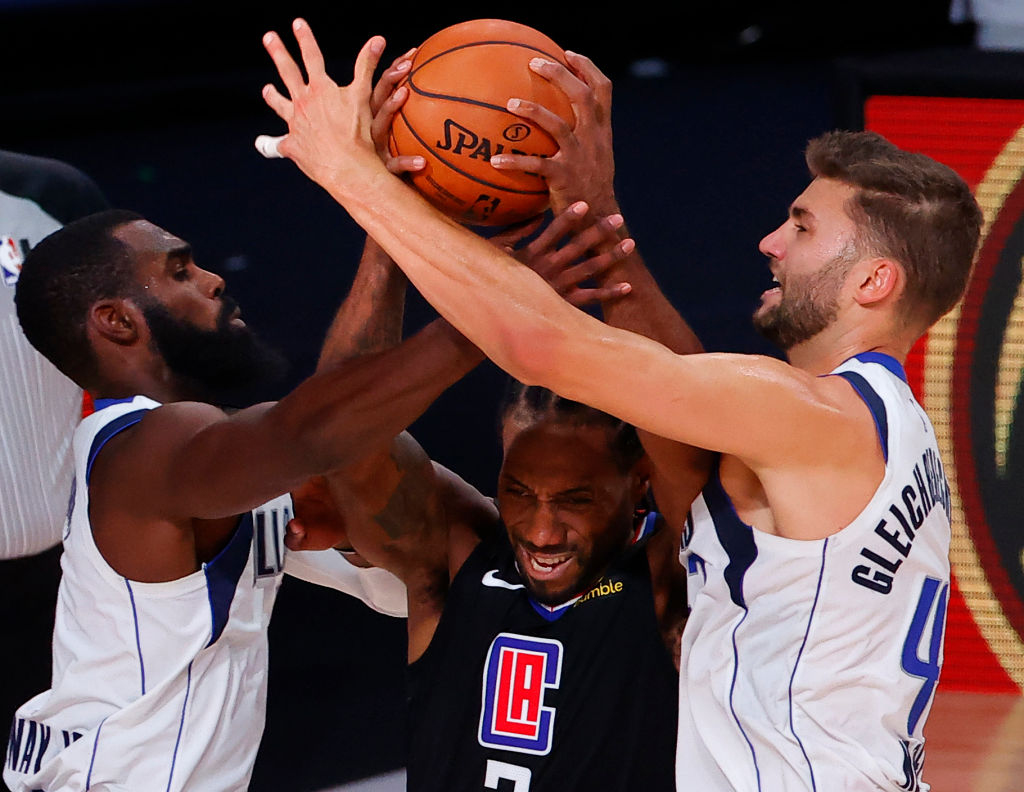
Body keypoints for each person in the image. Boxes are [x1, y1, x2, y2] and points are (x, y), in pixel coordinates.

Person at [258, 20, 984, 791]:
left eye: (802, 227)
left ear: (873, 281)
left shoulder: (817, 417)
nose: (771, 241)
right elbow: (676, 382)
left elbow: (543, 345)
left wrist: (352, 172)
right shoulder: (878, 426)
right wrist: (596, 211)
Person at [284, 205, 709, 790]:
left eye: (574, 500)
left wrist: (594, 208)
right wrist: (388, 223)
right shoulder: (457, 559)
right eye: (519, 491)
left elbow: (693, 418)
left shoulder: (672, 578)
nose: (540, 530)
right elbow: (342, 431)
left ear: (639, 482)